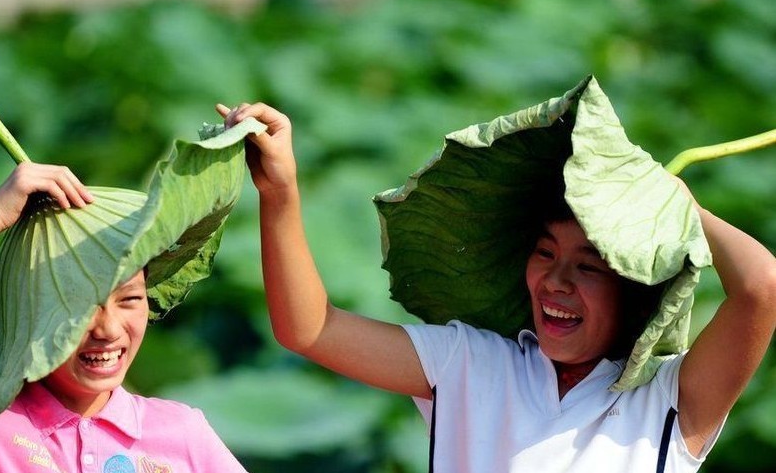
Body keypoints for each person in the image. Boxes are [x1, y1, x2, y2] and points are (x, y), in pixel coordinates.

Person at [217, 101, 776, 472]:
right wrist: (280, 192)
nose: (556, 281)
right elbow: (311, 329)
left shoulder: (668, 401)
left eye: (588, 266)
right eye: (545, 253)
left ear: (635, 289)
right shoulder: (470, 362)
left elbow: (761, 286)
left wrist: (675, 202)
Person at [0, 162, 248, 473]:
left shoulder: (183, 433)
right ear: (30, 314)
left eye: (129, 299)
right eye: (78, 307)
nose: (109, 330)